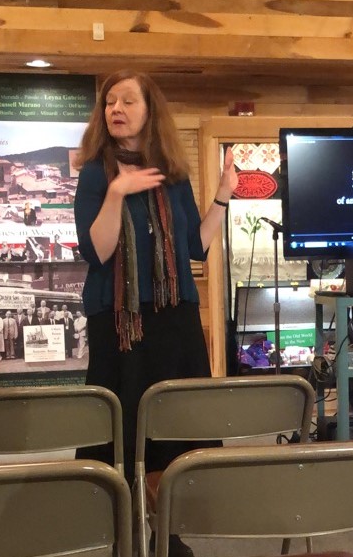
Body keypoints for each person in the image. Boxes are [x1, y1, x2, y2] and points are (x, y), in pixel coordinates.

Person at [73, 71, 236, 557]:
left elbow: (194, 247)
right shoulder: (94, 173)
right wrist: (118, 191)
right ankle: (124, 533)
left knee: (175, 431)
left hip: (174, 318)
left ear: (150, 111)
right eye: (108, 102)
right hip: (119, 323)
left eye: (126, 101)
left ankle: (166, 531)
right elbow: (97, 251)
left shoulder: (173, 174)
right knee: (121, 432)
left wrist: (224, 193)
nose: (114, 109)